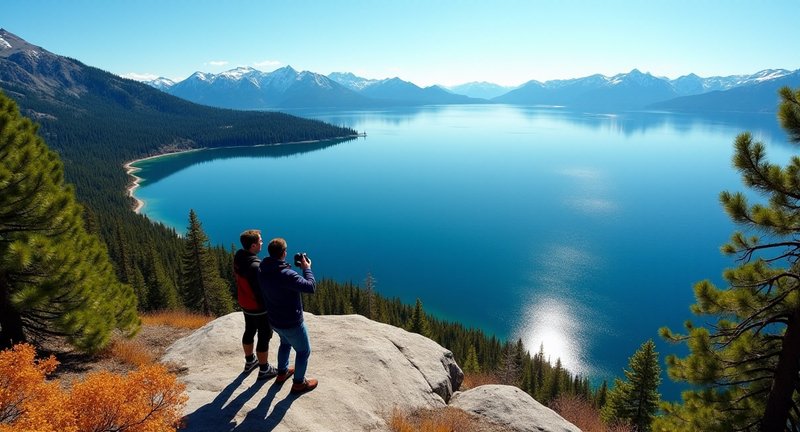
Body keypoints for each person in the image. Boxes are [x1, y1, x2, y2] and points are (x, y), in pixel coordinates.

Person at [258, 237, 318, 394]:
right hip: (292, 322)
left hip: (275, 320)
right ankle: (299, 383)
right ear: (284, 253)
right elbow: (310, 287)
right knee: (304, 351)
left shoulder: (263, 270)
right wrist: (307, 268)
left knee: (285, 344)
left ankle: (282, 373)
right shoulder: (286, 274)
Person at [233, 229, 278, 380]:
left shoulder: (239, 257)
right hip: (258, 307)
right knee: (264, 336)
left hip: (245, 303)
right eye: (260, 241)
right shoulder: (255, 267)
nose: (262, 243)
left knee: (249, 330)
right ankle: (264, 369)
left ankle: (250, 361)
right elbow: (262, 291)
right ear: (253, 246)